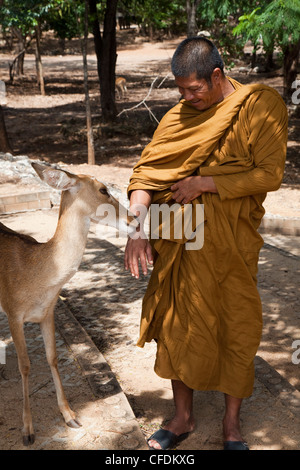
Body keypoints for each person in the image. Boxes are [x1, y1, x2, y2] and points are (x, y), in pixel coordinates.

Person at [124, 37, 288, 451]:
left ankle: (232, 426)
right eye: (180, 90)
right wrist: (137, 228)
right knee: (178, 324)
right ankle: (182, 418)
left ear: (217, 76)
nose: (186, 97)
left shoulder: (260, 106)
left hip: (231, 243)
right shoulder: (180, 116)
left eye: (194, 89)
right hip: (182, 238)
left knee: (237, 324)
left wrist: (203, 183)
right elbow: (146, 174)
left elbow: (269, 175)